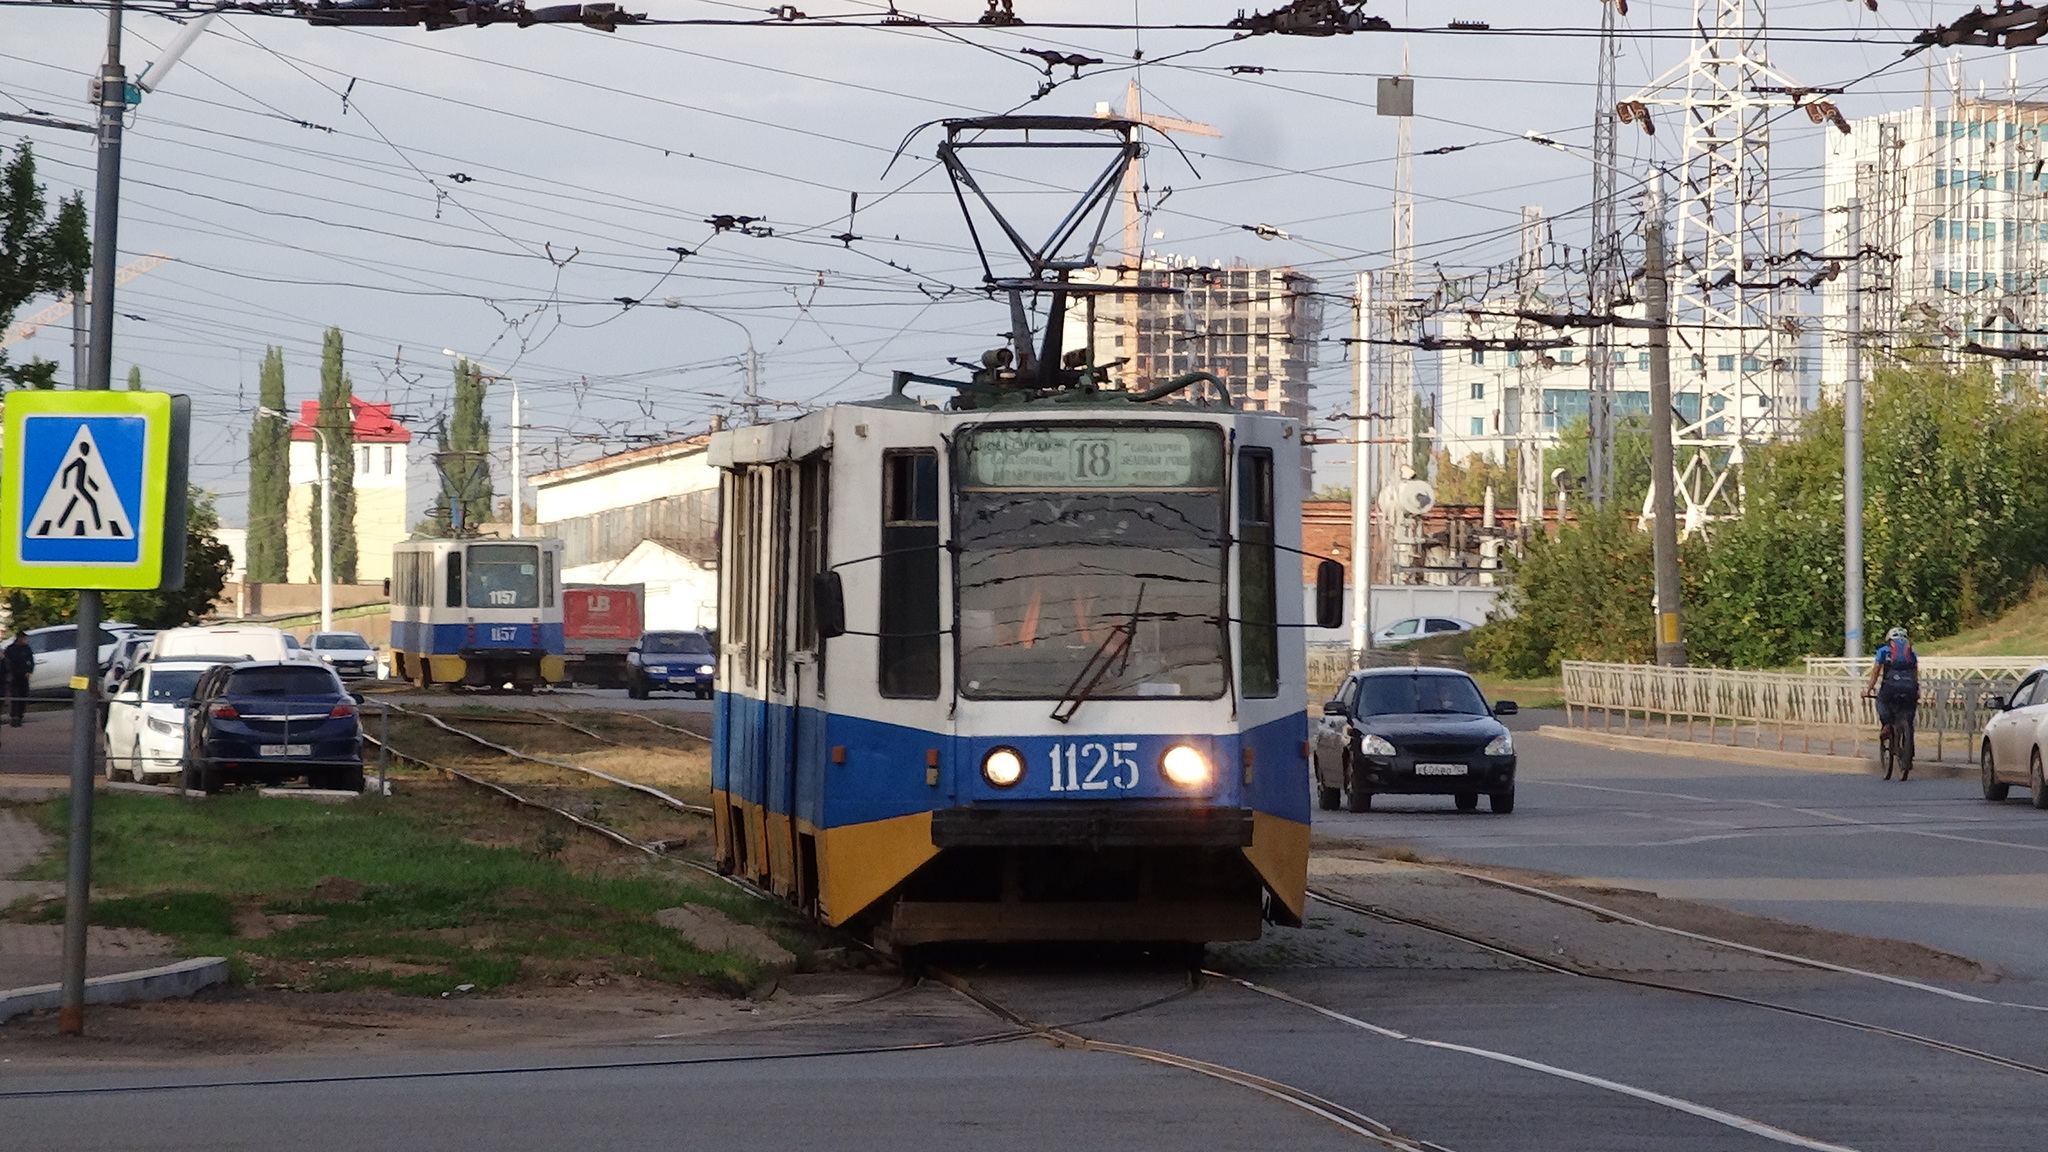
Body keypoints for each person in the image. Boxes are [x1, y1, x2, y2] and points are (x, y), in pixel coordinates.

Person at [1864, 625, 1920, 780]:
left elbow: (1876, 671)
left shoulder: (1884, 651)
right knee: (1908, 718)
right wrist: (1917, 690)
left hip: (1890, 687)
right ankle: (1909, 752)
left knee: (1881, 701)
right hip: (1910, 687)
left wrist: (1868, 690)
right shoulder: (1911, 652)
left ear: (1889, 640)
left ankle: (1887, 725)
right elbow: (1915, 672)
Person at [2, 633, 33, 727]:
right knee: (15, 696)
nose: (25, 640)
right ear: (19, 638)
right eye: (23, 638)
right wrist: (8, 673)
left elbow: (31, 660)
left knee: (23, 695)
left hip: (24, 676)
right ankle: (14, 716)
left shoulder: (27, 648)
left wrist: (29, 670)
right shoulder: (10, 649)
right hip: (13, 676)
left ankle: (20, 715)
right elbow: (6, 662)